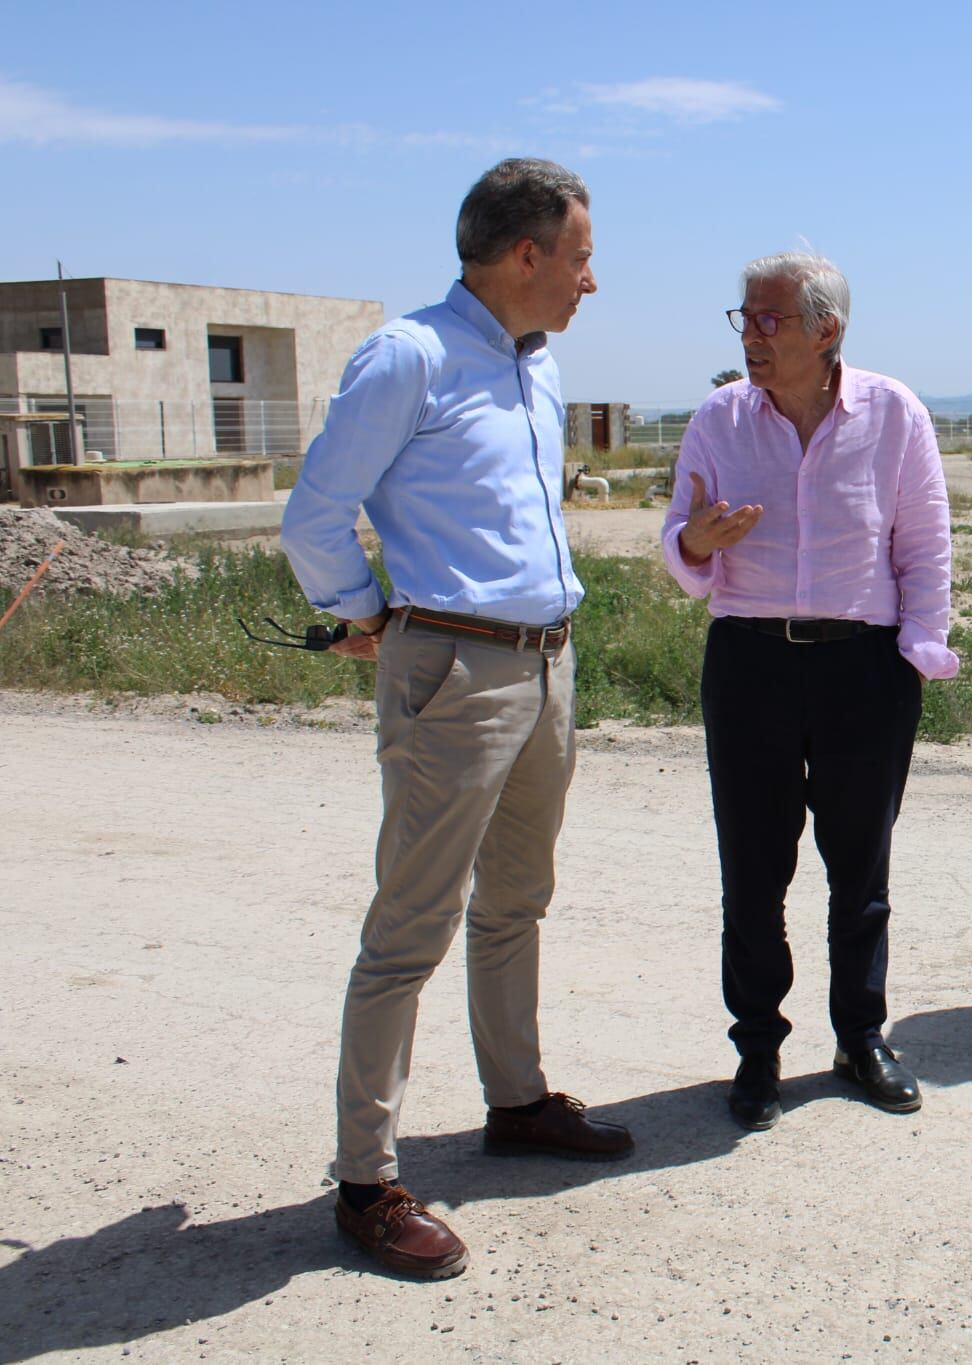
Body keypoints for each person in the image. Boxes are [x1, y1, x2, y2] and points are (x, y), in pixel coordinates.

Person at [280, 158, 631, 1280]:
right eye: (579, 254)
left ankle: (516, 1102)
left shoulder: (536, 366)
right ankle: (365, 1180)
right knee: (410, 925)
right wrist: (358, 611)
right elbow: (316, 514)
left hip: (542, 667)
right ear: (524, 254)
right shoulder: (411, 356)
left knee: (517, 899)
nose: (591, 278)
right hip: (454, 673)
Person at [661, 250, 958, 1131]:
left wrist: (920, 647)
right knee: (754, 869)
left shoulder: (894, 412)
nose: (752, 335)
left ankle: (860, 1036)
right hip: (749, 661)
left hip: (863, 667)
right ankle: (757, 1048)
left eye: (770, 320)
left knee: (859, 866)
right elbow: (677, 552)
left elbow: (925, 542)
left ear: (827, 329)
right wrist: (699, 542)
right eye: (744, 319)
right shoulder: (718, 418)